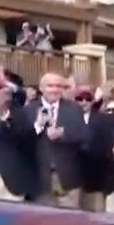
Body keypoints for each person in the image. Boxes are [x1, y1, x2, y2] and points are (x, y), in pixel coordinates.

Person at [22, 71, 88, 207]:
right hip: (40, 180)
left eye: (58, 86)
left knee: (71, 224)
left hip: (68, 180)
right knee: (45, 224)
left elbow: (84, 136)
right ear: (41, 88)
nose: (54, 90)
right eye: (50, 86)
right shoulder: (29, 110)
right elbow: (22, 141)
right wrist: (38, 126)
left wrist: (63, 134)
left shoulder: (74, 108)